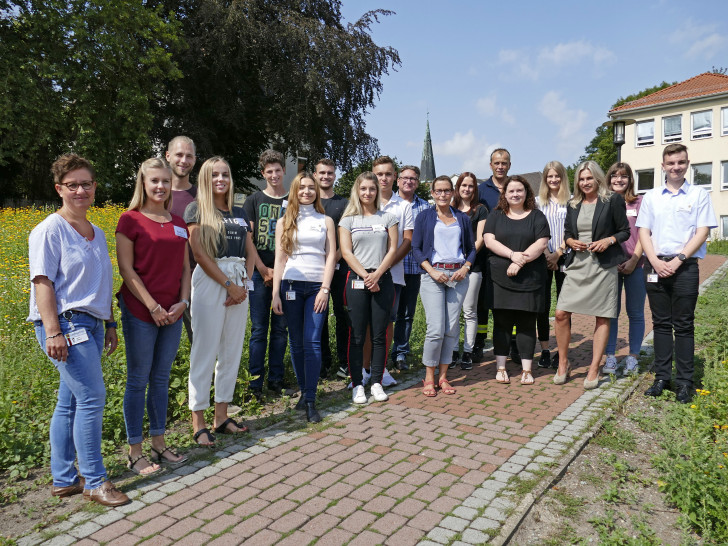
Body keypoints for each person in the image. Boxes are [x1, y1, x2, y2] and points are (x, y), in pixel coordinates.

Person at [28, 154, 129, 506]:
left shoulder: (97, 232)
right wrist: (53, 332)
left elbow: (101, 282)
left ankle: (64, 478)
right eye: (73, 185)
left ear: (95, 187)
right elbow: (42, 283)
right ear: (60, 189)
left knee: (69, 401)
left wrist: (111, 322)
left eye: (87, 183)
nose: (81, 190)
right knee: (91, 398)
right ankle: (95, 481)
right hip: (66, 324)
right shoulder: (48, 230)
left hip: (93, 323)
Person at [116, 158, 191, 475]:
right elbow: (126, 269)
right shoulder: (130, 220)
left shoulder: (178, 222)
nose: (160, 186)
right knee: (138, 380)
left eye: (164, 181)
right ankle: (135, 452)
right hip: (141, 312)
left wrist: (183, 302)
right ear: (143, 184)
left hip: (173, 312)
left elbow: (186, 268)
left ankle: (159, 443)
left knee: (160, 379)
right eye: (154, 181)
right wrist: (152, 306)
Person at [185, 157, 257, 446]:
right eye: (214, 175)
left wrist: (243, 285)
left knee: (230, 351)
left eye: (225, 174)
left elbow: (250, 251)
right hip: (211, 279)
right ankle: (198, 422)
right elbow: (199, 254)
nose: (220, 179)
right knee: (205, 350)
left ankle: (221, 417)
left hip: (239, 280)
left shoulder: (239, 213)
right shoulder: (197, 209)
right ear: (206, 178)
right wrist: (228, 285)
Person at [637, 144, 717, 404]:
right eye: (671, 163)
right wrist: (653, 261)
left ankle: (684, 382)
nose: (676, 167)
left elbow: (703, 231)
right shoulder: (651, 197)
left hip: (685, 267)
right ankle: (662, 378)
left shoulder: (698, 195)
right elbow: (643, 232)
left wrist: (679, 259)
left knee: (683, 325)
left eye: (680, 162)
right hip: (655, 266)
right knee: (660, 324)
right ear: (663, 165)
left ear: (687, 163)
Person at [553, 161, 630, 389]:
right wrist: (569, 241)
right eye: (581, 179)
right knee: (560, 313)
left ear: (597, 178)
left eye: (589, 178)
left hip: (603, 266)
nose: (585, 182)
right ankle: (563, 363)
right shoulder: (573, 203)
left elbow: (624, 231)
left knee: (602, 316)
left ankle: (594, 367)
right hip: (577, 264)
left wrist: (608, 240)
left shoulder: (612, 200)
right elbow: (567, 232)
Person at [272, 173, 336, 422]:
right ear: (295, 191)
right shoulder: (285, 221)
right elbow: (280, 258)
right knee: (296, 343)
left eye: (311, 188)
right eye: (302, 188)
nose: (307, 192)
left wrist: (325, 289)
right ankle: (304, 391)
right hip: (290, 287)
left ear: (317, 191)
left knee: (312, 342)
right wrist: (276, 292)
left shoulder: (326, 220)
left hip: (317, 288)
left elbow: (330, 256)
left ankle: (310, 400)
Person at [413, 175, 475, 397]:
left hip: (457, 276)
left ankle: (443, 376)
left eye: (446, 190)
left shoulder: (462, 218)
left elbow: (472, 248)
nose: (442, 194)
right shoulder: (424, 217)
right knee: (436, 329)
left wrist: (465, 267)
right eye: (438, 191)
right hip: (433, 275)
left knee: (451, 329)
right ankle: (428, 377)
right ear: (432, 193)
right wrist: (431, 271)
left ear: (452, 192)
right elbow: (416, 249)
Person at [339, 172, 399, 404]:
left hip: (382, 280)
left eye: (371, 189)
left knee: (379, 335)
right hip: (357, 280)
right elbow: (346, 252)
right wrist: (366, 276)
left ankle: (375, 381)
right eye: (363, 189)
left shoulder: (388, 218)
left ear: (377, 191)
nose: (368, 193)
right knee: (357, 335)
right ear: (357, 190)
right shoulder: (348, 220)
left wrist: (377, 275)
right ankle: (357, 384)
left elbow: (392, 250)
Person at [484, 176, 550, 384]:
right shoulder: (496, 216)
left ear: (527, 192)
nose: (515, 194)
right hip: (500, 280)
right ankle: (501, 367)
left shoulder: (537, 216)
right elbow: (489, 240)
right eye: (511, 191)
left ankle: (526, 370)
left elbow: (541, 244)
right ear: (504, 194)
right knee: (501, 324)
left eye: (519, 190)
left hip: (530, 280)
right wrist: (513, 256)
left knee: (527, 324)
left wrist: (520, 262)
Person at [243, 149, 289, 398]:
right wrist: (262, 269)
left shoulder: (293, 200)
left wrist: (279, 272)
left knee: (281, 330)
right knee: (259, 330)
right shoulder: (253, 200)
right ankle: (255, 384)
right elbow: (248, 240)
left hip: (285, 273)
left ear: (283, 171)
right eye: (269, 171)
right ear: (263, 173)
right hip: (259, 274)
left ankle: (276, 380)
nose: (274, 175)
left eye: (277, 170)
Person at [371, 156, 414, 387]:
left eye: (388, 174)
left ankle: (382, 368)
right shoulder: (365, 201)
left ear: (395, 177)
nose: (384, 178)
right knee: (364, 323)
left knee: (386, 322)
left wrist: (384, 267)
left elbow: (407, 242)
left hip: (392, 275)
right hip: (364, 274)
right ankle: (365, 369)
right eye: (379, 174)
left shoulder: (404, 206)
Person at [602, 162, 646, 377]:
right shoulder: (603, 203)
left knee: (635, 312)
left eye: (624, 176)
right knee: (611, 313)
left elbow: (645, 233)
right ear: (608, 179)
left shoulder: (640, 203)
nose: (618, 180)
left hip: (636, 265)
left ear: (630, 179)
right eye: (614, 176)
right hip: (610, 266)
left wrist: (633, 260)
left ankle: (633, 357)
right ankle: (610, 356)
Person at [391, 165, 430, 371]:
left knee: (406, 314)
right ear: (398, 180)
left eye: (413, 179)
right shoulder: (389, 204)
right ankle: (382, 353)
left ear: (417, 182)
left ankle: (400, 353)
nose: (409, 182)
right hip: (391, 267)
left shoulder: (425, 207)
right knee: (388, 313)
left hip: (413, 268)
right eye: (405, 178)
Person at [474, 148, 511, 362]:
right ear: (490, 165)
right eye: (496, 163)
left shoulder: (515, 187)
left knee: (506, 301)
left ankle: (509, 343)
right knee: (481, 303)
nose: (500, 166)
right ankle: (479, 342)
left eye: (504, 163)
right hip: (484, 255)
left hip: (508, 254)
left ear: (509, 165)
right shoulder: (482, 190)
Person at [313, 158, 349, 379]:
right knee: (320, 316)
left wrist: (332, 261)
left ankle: (344, 362)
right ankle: (323, 362)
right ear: (315, 175)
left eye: (330, 173)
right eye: (322, 173)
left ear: (335, 176)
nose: (326, 176)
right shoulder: (307, 201)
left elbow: (345, 239)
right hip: (314, 270)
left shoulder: (343, 204)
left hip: (339, 268)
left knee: (344, 316)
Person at [451, 172, 488, 370]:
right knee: (454, 312)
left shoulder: (480, 210)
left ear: (475, 189)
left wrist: (466, 260)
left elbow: (480, 239)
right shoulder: (450, 209)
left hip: (473, 267)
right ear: (458, 187)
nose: (467, 189)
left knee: (469, 311)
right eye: (463, 185)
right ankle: (453, 351)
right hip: (451, 267)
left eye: (471, 186)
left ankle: (468, 351)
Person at [535, 161, 570, 370]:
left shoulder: (572, 202)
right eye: (550, 176)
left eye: (557, 176)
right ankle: (545, 349)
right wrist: (548, 254)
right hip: (543, 257)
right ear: (545, 179)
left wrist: (558, 254)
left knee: (564, 307)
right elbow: (536, 230)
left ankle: (562, 352)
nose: (553, 180)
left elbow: (573, 230)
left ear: (563, 177)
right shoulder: (539, 202)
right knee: (542, 305)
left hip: (565, 257)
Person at [166, 136, 197, 343]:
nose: (183, 160)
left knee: (200, 338)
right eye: (179, 154)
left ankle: (202, 377)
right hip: (162, 279)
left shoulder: (202, 196)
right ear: (168, 156)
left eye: (189, 156)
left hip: (196, 278)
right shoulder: (156, 193)